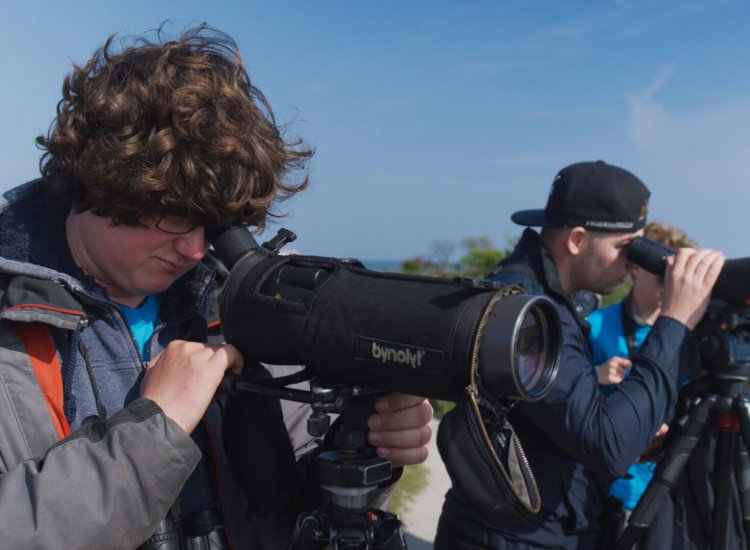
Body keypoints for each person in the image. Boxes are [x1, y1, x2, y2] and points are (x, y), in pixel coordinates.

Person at [0, 25, 432, 549]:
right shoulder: (12, 316)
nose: (197, 251)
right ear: (100, 175)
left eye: (219, 225)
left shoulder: (234, 302)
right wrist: (153, 431)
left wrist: (363, 451)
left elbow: (291, 509)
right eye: (177, 216)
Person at [435, 160, 724, 549]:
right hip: (516, 538)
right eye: (627, 248)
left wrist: (635, 425)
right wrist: (674, 321)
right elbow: (608, 445)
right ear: (576, 241)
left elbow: (568, 425)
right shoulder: (528, 312)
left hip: (532, 528)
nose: (633, 262)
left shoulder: (540, 295)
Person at [588, 221, 697, 546]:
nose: (672, 280)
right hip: (604, 494)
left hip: (667, 494)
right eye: (665, 268)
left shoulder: (691, 341)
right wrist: (595, 376)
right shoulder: (593, 326)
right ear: (636, 266)